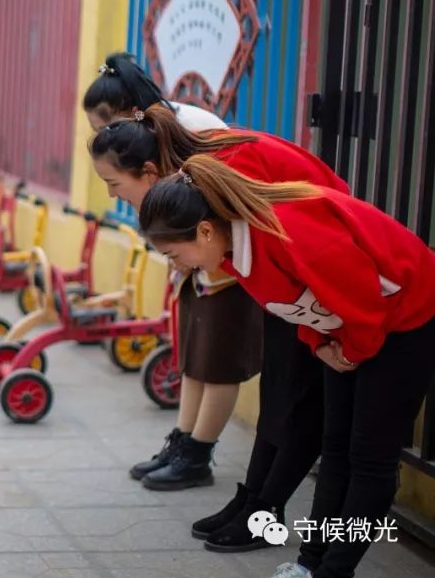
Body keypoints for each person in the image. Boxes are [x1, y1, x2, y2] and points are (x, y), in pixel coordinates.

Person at [138, 155, 435, 578]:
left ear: (204, 230)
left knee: (369, 459)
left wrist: (347, 353)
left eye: (173, 253)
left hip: (405, 319)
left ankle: (333, 571)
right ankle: (309, 565)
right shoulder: (233, 254)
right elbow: (299, 307)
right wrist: (320, 348)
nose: (176, 264)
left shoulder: (288, 230)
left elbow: (365, 302)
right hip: (352, 332)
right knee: (335, 449)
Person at [90, 103, 348, 550]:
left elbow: (294, 229)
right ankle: (253, 502)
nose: (114, 196)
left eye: (115, 184)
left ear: (149, 171)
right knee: (278, 393)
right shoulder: (193, 173)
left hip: (325, 268)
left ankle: (266, 512)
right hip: (293, 274)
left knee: (296, 398)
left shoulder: (217, 169)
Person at [83, 57, 258, 494]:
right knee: (195, 354)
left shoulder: (185, 132)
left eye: (105, 126)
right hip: (199, 252)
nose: (104, 137)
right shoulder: (150, 138)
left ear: (130, 111)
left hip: (228, 253)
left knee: (217, 358)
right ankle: (182, 443)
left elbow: (219, 197)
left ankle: (198, 454)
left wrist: (194, 253)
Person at [83, 52, 228, 133]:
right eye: (97, 132)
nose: (102, 140)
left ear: (134, 113)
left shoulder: (173, 131)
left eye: (106, 130)